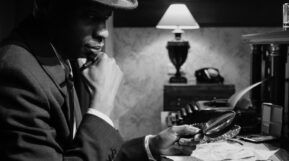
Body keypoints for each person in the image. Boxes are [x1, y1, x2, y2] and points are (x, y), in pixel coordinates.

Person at [0, 0, 201, 160]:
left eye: (105, 18)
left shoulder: (64, 54)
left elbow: (77, 153)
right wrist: (102, 104)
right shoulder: (16, 74)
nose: (103, 31)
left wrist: (151, 146)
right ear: (46, 5)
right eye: (90, 16)